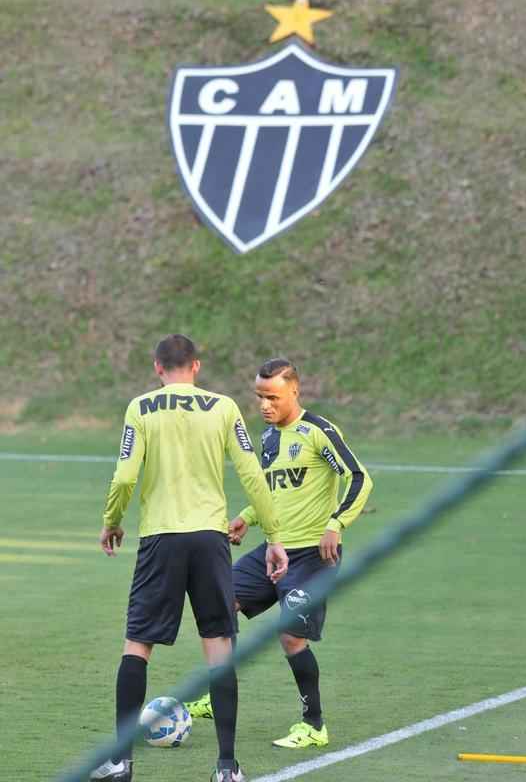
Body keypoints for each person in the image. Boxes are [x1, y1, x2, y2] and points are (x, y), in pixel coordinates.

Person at [89, 335, 288, 782]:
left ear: (157, 367)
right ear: (196, 366)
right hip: (210, 538)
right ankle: (226, 767)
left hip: (162, 538)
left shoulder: (140, 408)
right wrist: (273, 535)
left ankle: (121, 762)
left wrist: (112, 520)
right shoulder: (223, 408)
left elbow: (124, 476)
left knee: (138, 644)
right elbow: (252, 473)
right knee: (219, 646)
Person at [187, 358, 373, 749]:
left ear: (294, 391)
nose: (264, 405)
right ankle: (218, 696)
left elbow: (358, 477)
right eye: (259, 397)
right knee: (223, 603)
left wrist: (335, 524)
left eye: (272, 396)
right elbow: (273, 492)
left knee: (291, 636)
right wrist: (246, 517)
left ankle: (314, 725)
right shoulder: (269, 439)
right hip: (274, 549)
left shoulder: (318, 432)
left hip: (313, 555)